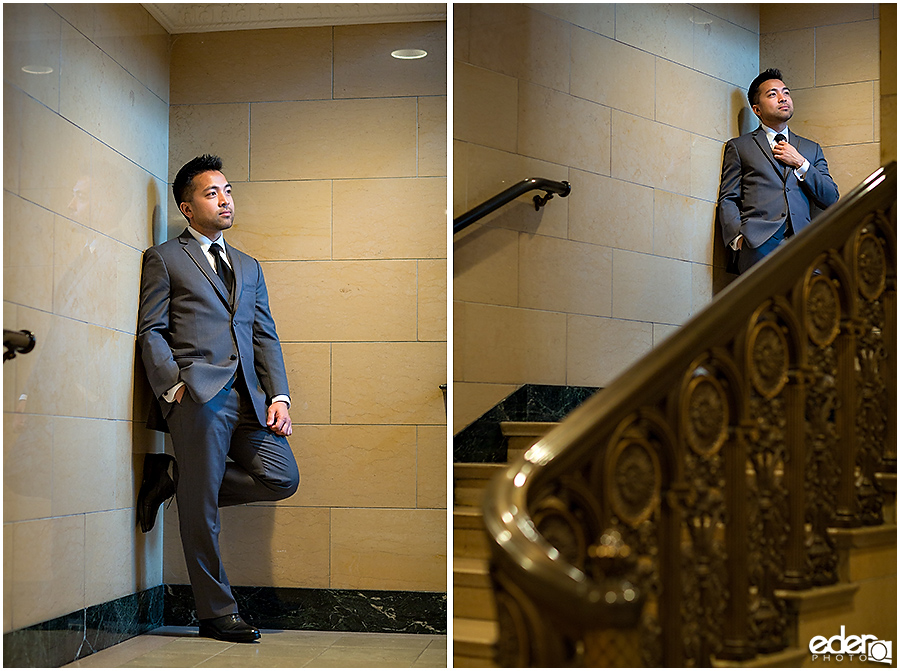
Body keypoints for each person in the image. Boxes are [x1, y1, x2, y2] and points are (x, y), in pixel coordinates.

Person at [136, 154, 300, 643]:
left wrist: (280, 396)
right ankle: (215, 613)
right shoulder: (164, 258)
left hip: (250, 399)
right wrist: (174, 387)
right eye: (212, 193)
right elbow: (151, 331)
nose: (225, 200)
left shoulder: (248, 266)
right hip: (198, 397)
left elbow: (264, 336)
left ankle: (172, 478)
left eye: (228, 191)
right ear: (187, 208)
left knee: (281, 478)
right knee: (201, 506)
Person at [717, 68, 840, 274]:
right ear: (757, 110)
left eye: (786, 92)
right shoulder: (740, 147)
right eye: (773, 94)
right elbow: (728, 197)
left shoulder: (811, 149)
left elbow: (831, 197)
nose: (783, 98)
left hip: (804, 248)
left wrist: (801, 163)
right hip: (757, 248)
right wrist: (738, 238)